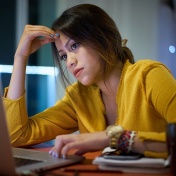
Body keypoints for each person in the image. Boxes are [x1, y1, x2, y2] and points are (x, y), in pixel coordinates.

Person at [3, 3, 176, 159]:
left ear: (103, 38)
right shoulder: (78, 97)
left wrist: (113, 138)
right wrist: (20, 57)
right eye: (63, 56)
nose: (69, 61)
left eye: (74, 46)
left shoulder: (148, 75)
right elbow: (15, 136)